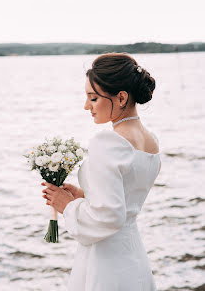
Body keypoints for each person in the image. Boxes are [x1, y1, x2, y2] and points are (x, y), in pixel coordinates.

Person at [41, 53, 161, 290]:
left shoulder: (107, 142)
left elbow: (109, 217)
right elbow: (124, 202)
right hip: (133, 255)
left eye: (93, 98)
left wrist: (67, 206)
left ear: (122, 97)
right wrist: (85, 195)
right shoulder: (151, 141)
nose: (86, 106)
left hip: (106, 263)